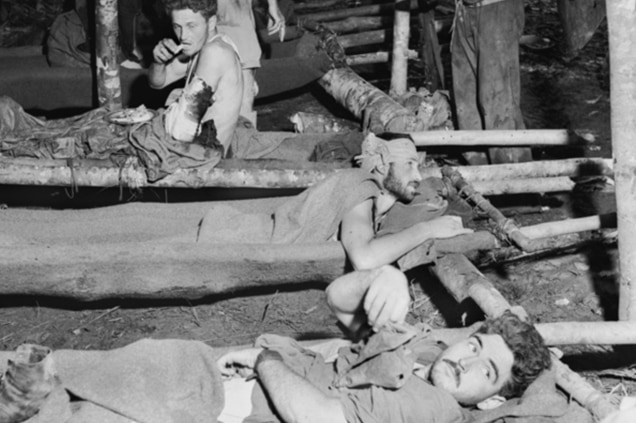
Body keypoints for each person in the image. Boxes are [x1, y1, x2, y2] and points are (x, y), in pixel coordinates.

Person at [217, 268, 553, 423]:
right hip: (262, 378)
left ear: (491, 400)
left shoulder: (430, 406)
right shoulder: (422, 349)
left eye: (486, 370)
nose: (465, 361)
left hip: (250, 403)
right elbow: (339, 300)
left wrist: (265, 359)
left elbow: (314, 417)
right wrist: (385, 277)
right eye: (475, 347)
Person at [149, 0, 243, 152]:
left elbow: (181, 129)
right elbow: (157, 83)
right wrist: (158, 62)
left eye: (191, 26)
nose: (183, 36)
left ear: (211, 23)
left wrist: (173, 105)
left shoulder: (215, 52)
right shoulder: (199, 48)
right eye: (177, 27)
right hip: (197, 148)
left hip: (207, 158)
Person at [451, 0, 532, 165]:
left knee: (497, 98)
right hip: (464, 10)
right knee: (466, 98)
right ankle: (480, 168)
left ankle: (511, 173)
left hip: (495, 9)